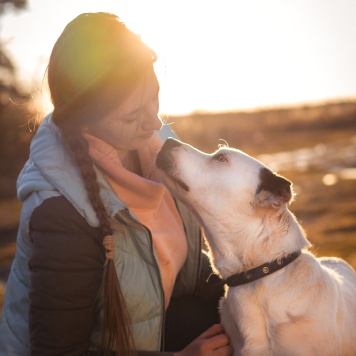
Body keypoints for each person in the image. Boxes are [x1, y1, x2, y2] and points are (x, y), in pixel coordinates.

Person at [0, 12, 232, 355]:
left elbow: (177, 267)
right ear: (84, 123)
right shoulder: (61, 215)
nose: (155, 122)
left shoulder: (152, 149)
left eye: (154, 97)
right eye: (131, 116)